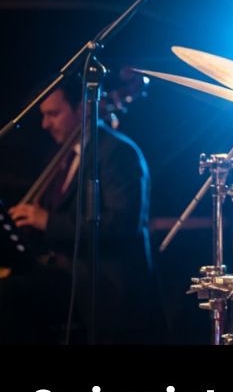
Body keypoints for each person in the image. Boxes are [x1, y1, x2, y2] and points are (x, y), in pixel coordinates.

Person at [1, 77, 158, 343]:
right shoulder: (60, 156)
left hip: (102, 283)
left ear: (83, 107)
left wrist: (46, 221)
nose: (45, 124)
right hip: (63, 274)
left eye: (54, 114)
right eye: (44, 115)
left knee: (8, 294)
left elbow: (120, 225)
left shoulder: (118, 152)